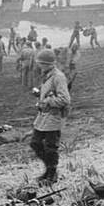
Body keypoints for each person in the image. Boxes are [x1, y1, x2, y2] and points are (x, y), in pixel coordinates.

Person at [30, 50, 70, 185]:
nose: (39, 66)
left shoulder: (58, 77)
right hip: (43, 116)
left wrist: (47, 101)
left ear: (48, 64)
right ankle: (49, 170)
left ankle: (52, 175)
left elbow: (65, 99)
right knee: (35, 143)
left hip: (54, 117)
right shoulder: (48, 75)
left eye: (41, 63)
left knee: (50, 148)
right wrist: (40, 94)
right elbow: (50, 92)